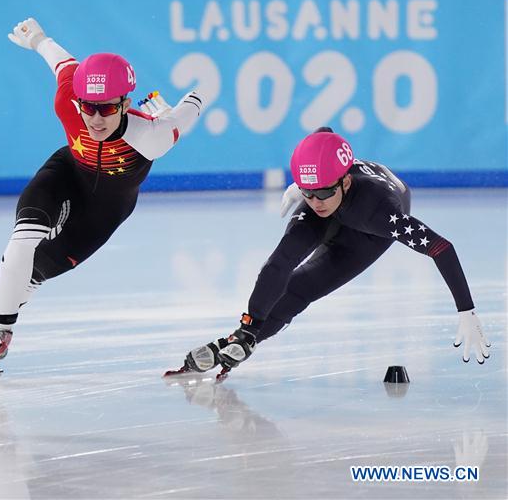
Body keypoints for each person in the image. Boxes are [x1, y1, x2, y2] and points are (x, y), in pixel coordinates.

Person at [0, 17, 203, 375]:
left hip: (103, 210)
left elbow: (185, 116)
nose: (94, 118)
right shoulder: (68, 99)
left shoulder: (150, 137)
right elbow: (64, 64)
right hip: (65, 173)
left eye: (106, 108)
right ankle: (0, 332)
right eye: (87, 106)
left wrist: (193, 99)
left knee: (34, 273)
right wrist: (40, 39)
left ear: (125, 104)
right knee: (21, 240)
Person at [173, 127, 491, 378]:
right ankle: (242, 339)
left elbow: (441, 247)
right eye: (308, 192)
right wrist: (250, 326)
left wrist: (466, 309)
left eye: (323, 191)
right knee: (284, 260)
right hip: (340, 197)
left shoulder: (377, 212)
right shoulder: (318, 195)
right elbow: (322, 136)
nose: (317, 201)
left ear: (346, 182)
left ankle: (247, 338)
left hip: (368, 232)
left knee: (304, 287)